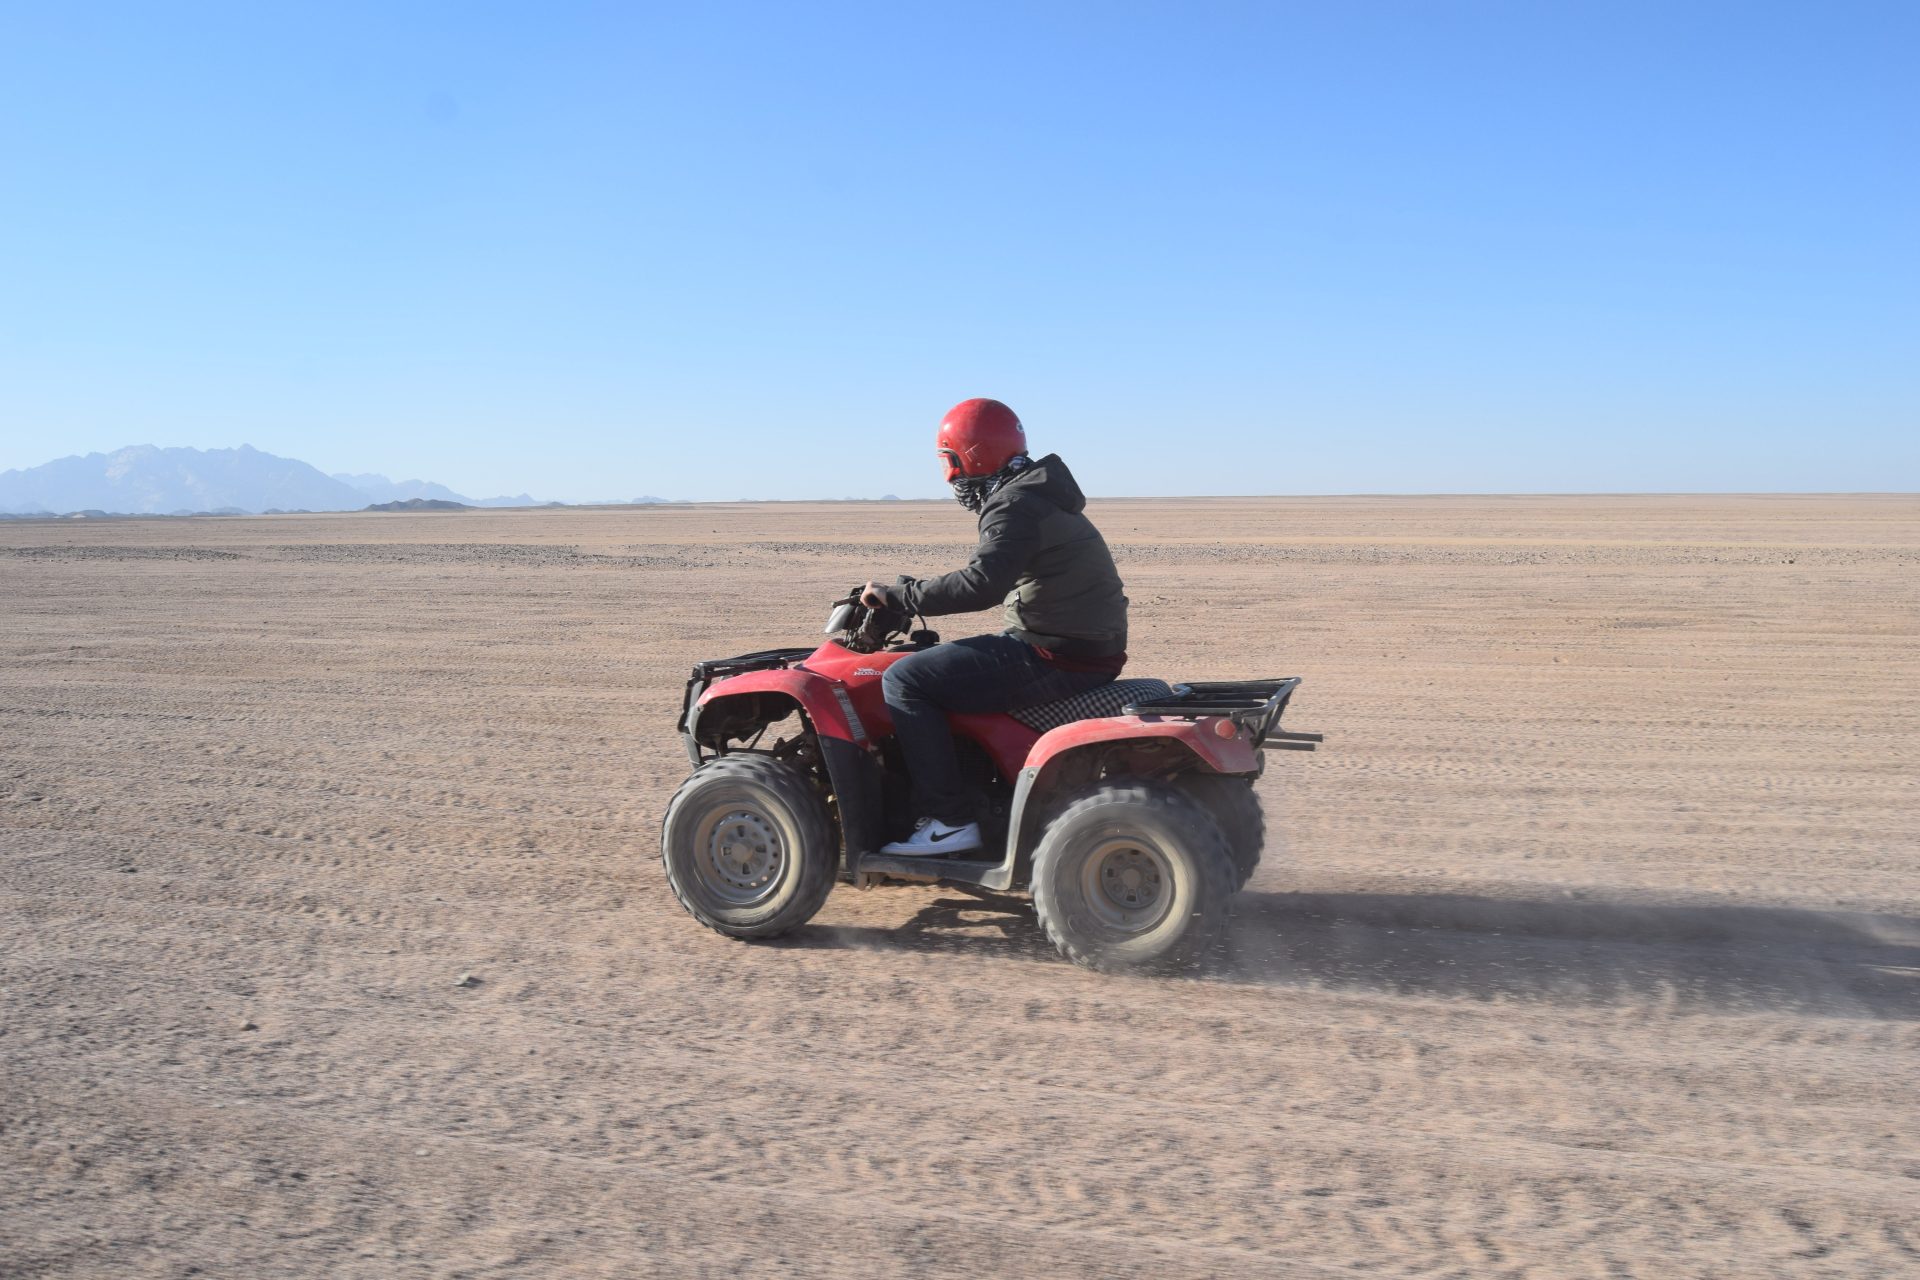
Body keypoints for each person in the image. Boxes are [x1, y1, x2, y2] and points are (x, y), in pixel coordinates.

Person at [862, 398, 1129, 856]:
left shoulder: (1015, 504)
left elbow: (982, 584)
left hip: (1053, 651)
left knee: (905, 678)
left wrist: (901, 596)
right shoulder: (1041, 494)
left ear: (972, 454)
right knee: (944, 663)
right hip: (1085, 647)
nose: (950, 477)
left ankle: (949, 821)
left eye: (950, 461)